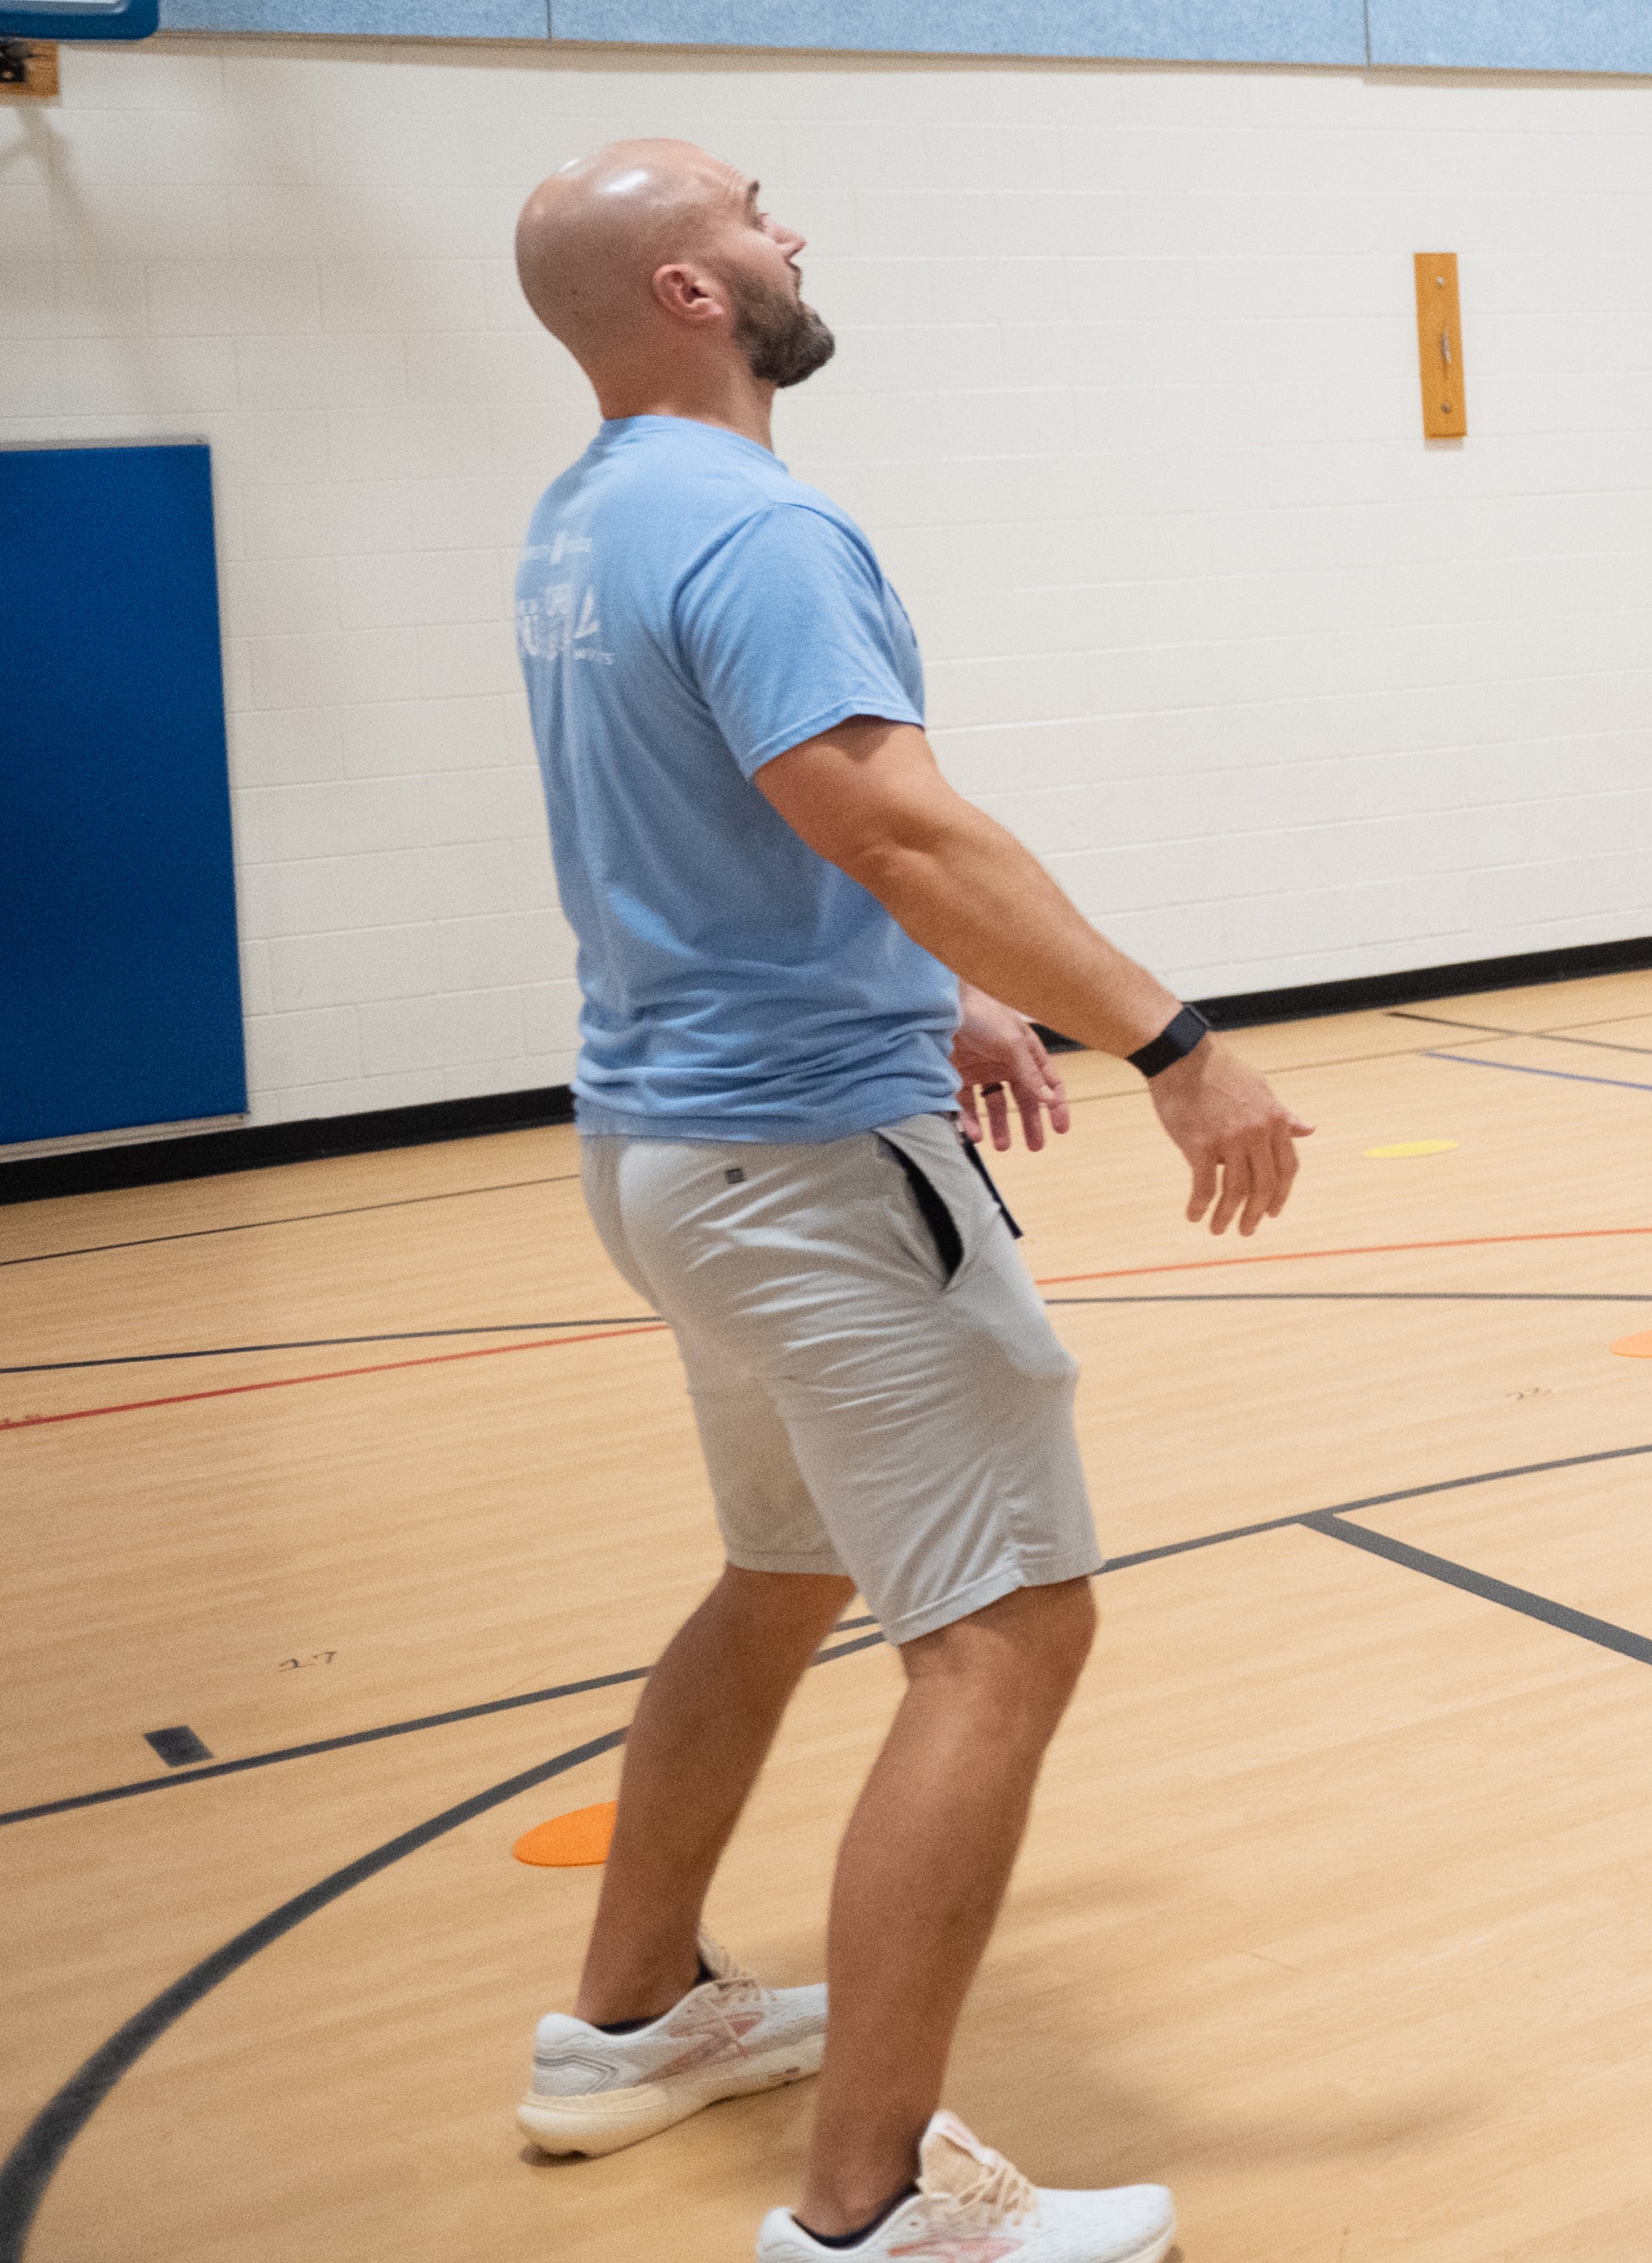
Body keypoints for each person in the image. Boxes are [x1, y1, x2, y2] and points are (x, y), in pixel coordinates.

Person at [508, 138, 1311, 2263]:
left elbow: (746, 827)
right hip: (806, 1166)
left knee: (782, 1574)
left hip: (666, 1141)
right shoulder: (759, 525)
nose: (798, 236)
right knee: (1007, 1634)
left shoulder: (586, 521)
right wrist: (1174, 1041)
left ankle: (629, 2019)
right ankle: (869, 2219)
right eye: (762, 215)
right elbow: (892, 818)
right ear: (691, 289)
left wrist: (937, 986)